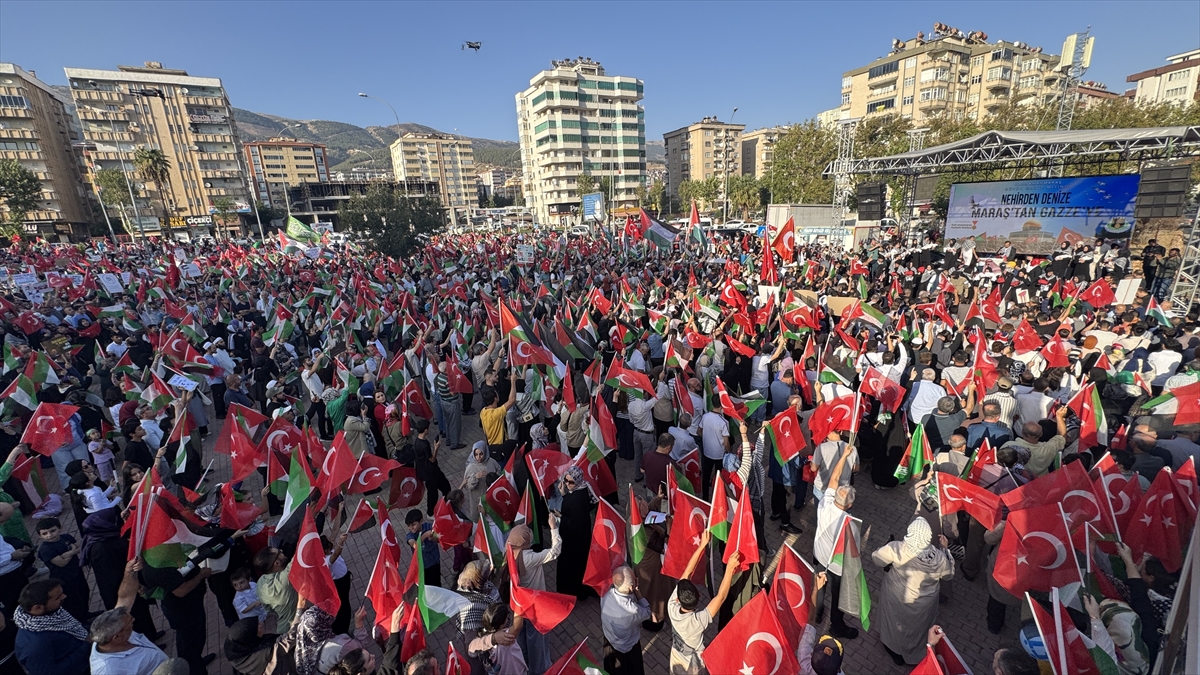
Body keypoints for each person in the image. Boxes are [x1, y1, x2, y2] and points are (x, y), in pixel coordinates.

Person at [870, 518, 955, 665]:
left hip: (897, 598)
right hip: (924, 604)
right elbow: (949, 575)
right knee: (917, 629)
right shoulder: (940, 558)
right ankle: (915, 654)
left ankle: (895, 652)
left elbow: (877, 558)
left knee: (894, 625)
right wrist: (945, 549)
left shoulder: (897, 548)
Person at [667, 528, 741, 675]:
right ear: (699, 598)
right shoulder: (697, 622)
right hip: (694, 666)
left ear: (678, 599)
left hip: (676, 659)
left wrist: (701, 546)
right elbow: (720, 598)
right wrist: (729, 569)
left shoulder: (671, 605)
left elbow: (687, 572)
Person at [88, 559, 170, 674]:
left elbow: (125, 597)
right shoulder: (107, 670)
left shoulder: (111, 628)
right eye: (130, 624)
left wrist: (129, 572)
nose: (134, 620)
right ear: (116, 637)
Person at [812, 443, 859, 639]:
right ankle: (836, 626)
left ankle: (816, 612)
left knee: (819, 584)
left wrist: (843, 456)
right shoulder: (850, 524)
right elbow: (853, 552)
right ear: (850, 504)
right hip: (838, 565)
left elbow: (833, 479)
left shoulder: (824, 503)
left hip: (820, 554)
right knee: (838, 594)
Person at [507, 519, 562, 675]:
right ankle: (539, 669)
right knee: (537, 638)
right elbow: (555, 551)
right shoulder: (529, 558)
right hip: (535, 604)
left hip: (520, 603)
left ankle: (524, 662)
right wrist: (553, 528)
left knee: (523, 636)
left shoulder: (511, 551)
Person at [13, 578, 91, 675]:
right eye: (58, 598)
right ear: (37, 608)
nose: (64, 597)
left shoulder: (51, 613)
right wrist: (86, 645)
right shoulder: (35, 645)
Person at [34, 518, 90, 622]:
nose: (49, 535)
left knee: (84, 593)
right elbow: (61, 563)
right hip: (63, 579)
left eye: (52, 531)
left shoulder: (66, 537)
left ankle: (85, 614)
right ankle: (80, 620)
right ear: (40, 536)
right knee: (73, 600)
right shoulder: (45, 549)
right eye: (44, 533)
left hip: (77, 573)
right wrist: (71, 552)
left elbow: (78, 548)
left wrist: (66, 554)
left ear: (60, 529)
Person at [555, 466, 597, 599]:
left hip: (574, 541)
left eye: (571, 482)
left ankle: (573, 592)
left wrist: (561, 517)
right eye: (566, 480)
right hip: (581, 537)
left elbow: (574, 523)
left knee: (572, 567)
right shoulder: (583, 488)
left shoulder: (576, 500)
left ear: (577, 481)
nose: (568, 484)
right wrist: (564, 493)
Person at [600, 566, 651, 675]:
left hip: (609, 641)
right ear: (631, 587)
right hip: (628, 648)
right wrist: (638, 593)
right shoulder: (633, 611)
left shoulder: (605, 593)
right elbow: (647, 612)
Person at [466, 603, 524, 675]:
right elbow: (516, 627)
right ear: (502, 625)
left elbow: (471, 650)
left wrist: (492, 639)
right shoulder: (504, 638)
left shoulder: (483, 638)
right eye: (507, 618)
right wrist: (519, 602)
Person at [253, 547, 299, 631]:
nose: (282, 550)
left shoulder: (260, 583)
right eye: (279, 552)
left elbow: (269, 610)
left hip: (282, 629)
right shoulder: (284, 580)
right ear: (277, 563)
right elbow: (300, 554)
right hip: (297, 628)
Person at [413, 419, 452, 516]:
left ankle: (446, 505)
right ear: (425, 430)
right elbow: (432, 459)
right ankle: (430, 513)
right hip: (430, 472)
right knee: (434, 493)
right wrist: (436, 447)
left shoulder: (417, 441)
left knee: (443, 488)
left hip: (429, 472)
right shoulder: (424, 444)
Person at [460, 441, 500, 522]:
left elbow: (498, 473)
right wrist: (475, 477)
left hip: (490, 498)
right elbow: (467, 486)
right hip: (477, 500)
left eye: (481, 454)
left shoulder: (491, 462)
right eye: (476, 454)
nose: (479, 457)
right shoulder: (471, 467)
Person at [405, 509, 442, 588]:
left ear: (421, 521)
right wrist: (425, 535)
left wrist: (432, 538)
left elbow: (438, 540)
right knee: (427, 587)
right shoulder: (410, 536)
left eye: (413, 524)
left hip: (435, 562)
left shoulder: (429, 526)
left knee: (437, 584)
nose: (411, 528)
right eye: (409, 526)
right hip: (423, 566)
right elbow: (415, 545)